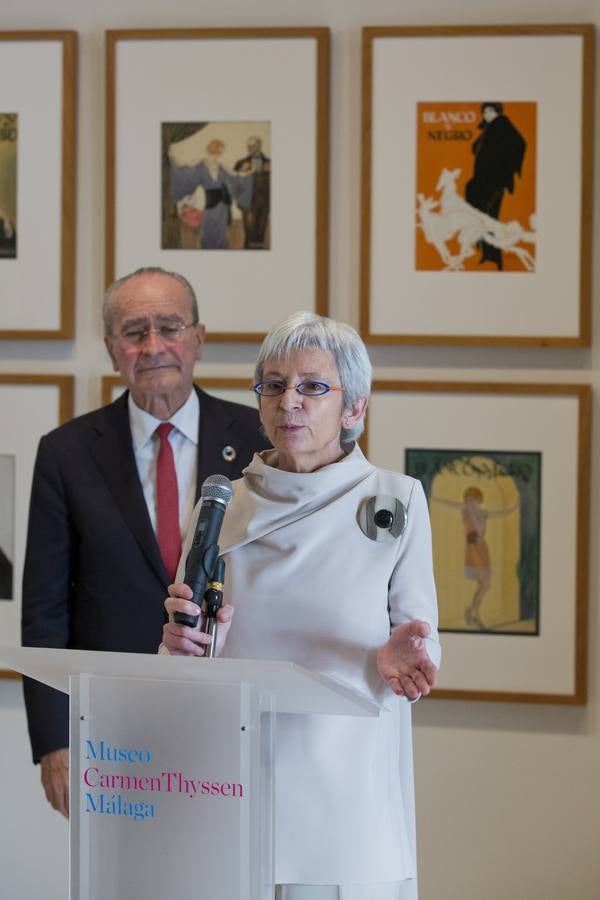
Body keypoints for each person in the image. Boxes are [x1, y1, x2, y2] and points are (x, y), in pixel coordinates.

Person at [162, 311, 441, 900]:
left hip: (344, 783)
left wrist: (402, 656)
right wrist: (178, 645)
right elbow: (189, 644)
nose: (290, 400)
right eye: (274, 384)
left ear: (354, 408)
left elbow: (421, 636)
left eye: (314, 386)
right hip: (233, 774)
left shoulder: (396, 499)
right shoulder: (220, 503)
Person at [21, 266, 270, 818]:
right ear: (113, 350)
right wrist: (53, 744)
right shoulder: (66, 453)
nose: (153, 346)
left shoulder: (258, 440)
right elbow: (43, 610)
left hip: (233, 713)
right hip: (111, 725)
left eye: (170, 327)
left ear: (199, 340)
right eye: (134, 333)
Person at [464, 102, 526, 270]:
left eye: (490, 111)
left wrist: (507, 172)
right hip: (483, 181)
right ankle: (487, 255)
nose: (487, 114)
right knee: (483, 218)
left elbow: (520, 143)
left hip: (493, 183)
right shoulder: (488, 129)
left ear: (498, 112)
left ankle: (493, 257)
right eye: (484, 112)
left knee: (490, 218)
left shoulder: (502, 125)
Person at [169, 139, 252, 249]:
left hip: (223, 204)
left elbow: (234, 177)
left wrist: (245, 174)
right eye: (219, 149)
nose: (219, 153)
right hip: (211, 202)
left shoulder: (222, 165)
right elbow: (187, 174)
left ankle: (221, 248)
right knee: (208, 227)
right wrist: (173, 161)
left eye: (221, 151)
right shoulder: (200, 163)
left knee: (222, 229)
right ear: (212, 148)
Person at [234, 136, 271, 249]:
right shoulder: (240, 163)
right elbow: (233, 181)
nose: (250, 148)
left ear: (260, 145)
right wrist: (241, 171)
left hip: (265, 203)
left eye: (253, 145)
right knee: (249, 233)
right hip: (248, 204)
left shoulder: (270, 162)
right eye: (248, 145)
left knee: (261, 232)